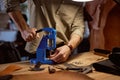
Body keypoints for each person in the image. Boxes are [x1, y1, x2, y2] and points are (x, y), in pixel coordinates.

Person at [3, 0, 85, 63]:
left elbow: (78, 28)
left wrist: (69, 47)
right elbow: (10, 1)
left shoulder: (79, 1)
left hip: (65, 52)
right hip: (37, 50)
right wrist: (24, 29)